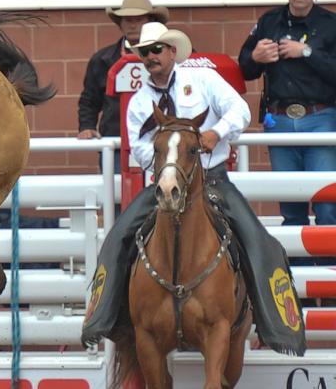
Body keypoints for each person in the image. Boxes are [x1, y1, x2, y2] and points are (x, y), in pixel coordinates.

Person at [82, 21, 306, 357]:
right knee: (117, 239)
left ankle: (273, 324)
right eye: (145, 52)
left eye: (157, 49)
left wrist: (216, 133)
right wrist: (170, 151)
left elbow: (240, 110)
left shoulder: (201, 80)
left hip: (212, 179)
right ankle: (109, 322)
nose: (150, 56)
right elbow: (140, 151)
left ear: (172, 51)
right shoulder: (141, 101)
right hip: (166, 181)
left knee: (262, 242)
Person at [238, 0, 336, 264]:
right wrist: (255, 56)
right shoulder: (269, 21)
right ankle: (298, 288)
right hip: (279, 120)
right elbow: (245, 67)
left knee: (326, 204)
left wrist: (305, 52)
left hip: (320, 118)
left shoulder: (330, 24)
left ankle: (329, 284)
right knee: (290, 207)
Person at [77, 0, 167, 173]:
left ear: (151, 22)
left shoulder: (174, 54)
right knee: (118, 195)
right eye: (128, 20)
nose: (133, 25)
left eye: (139, 20)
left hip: (166, 141)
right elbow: (89, 100)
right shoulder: (102, 59)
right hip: (117, 142)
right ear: (120, 24)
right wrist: (86, 126)